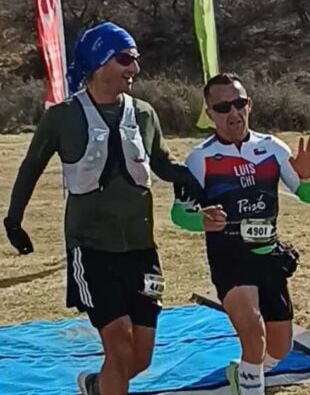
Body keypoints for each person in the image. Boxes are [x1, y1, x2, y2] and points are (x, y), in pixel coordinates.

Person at [2, 22, 192, 395]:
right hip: (91, 248)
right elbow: (31, 166)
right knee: (119, 346)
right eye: (125, 59)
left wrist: (194, 177)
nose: (134, 68)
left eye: (136, 59)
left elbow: (162, 163)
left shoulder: (144, 114)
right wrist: (14, 219)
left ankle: (95, 386)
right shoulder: (62, 117)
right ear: (100, 61)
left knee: (141, 357)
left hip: (140, 249)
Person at [170, 73, 310, 395]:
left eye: (239, 103)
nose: (233, 113)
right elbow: (179, 214)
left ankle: (245, 375)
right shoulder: (200, 158)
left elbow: (307, 196)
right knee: (253, 331)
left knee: (279, 348)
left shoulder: (272, 148)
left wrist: (307, 178)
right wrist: (201, 221)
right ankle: (252, 386)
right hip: (229, 256)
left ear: (249, 104)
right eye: (222, 107)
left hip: (268, 254)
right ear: (209, 114)